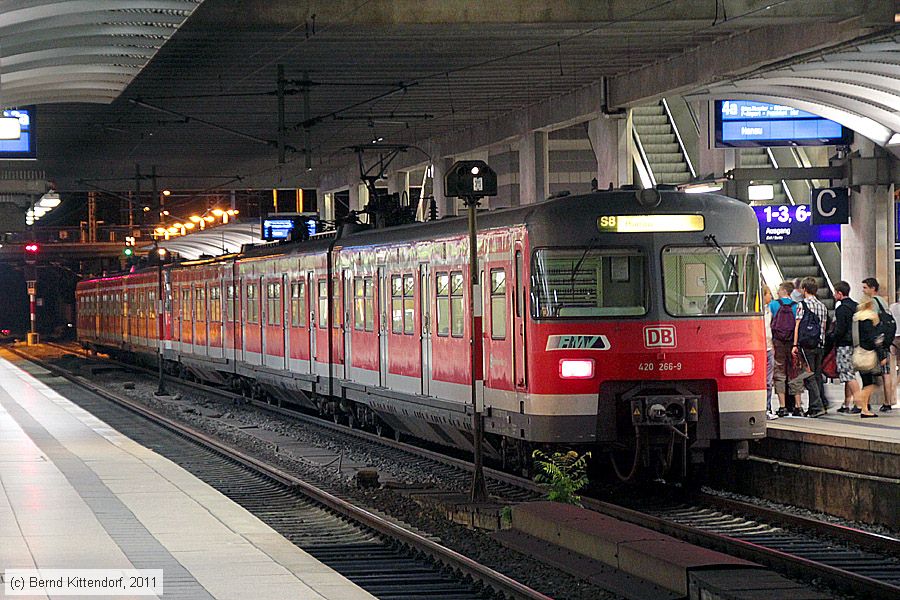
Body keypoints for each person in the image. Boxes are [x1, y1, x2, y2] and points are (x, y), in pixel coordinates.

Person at [793, 276, 828, 417]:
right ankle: (818, 405)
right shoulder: (822, 306)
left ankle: (816, 406)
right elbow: (823, 327)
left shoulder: (802, 305)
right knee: (817, 375)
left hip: (806, 345)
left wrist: (795, 344)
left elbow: (797, 325)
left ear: (804, 289)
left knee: (809, 375)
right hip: (819, 345)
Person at [861, 277, 895, 411]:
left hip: (876, 343)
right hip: (885, 341)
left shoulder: (872, 303)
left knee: (867, 373)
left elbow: (873, 324)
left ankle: (866, 403)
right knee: (886, 373)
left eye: (865, 287)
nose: (863, 290)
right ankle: (887, 402)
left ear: (872, 288)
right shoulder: (883, 302)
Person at [827, 281, 860, 413]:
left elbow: (840, 330)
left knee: (848, 374)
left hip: (844, 345)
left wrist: (831, 338)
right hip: (855, 344)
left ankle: (859, 404)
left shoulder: (842, 309)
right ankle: (846, 403)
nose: (834, 295)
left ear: (840, 293)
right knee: (849, 375)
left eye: (835, 293)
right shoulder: (856, 306)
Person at [770, 281, 800, 417]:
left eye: (779, 290)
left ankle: (782, 406)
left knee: (779, 372)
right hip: (793, 342)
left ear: (784, 291)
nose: (777, 292)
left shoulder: (773, 305)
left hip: (778, 343)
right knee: (795, 372)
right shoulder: (797, 306)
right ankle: (798, 406)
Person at [852, 297, 882, 418]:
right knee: (874, 382)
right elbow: (871, 338)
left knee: (866, 381)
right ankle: (859, 397)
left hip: (858, 352)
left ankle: (864, 409)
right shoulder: (869, 318)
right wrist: (878, 352)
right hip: (868, 354)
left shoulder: (856, 317)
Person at [762, 285, 777, 419]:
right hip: (762, 348)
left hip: (768, 347)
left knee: (768, 381)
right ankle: (764, 408)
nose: (771, 297)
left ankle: (767, 408)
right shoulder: (759, 312)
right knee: (766, 381)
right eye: (769, 294)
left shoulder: (768, 310)